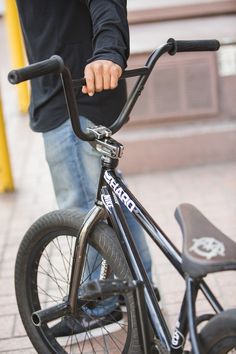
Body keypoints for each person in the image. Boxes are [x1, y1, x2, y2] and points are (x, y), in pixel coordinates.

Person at [15, 0, 158, 336]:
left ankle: (98, 304)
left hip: (76, 92)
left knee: (82, 204)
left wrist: (109, 51)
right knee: (108, 197)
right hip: (68, 87)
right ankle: (141, 287)